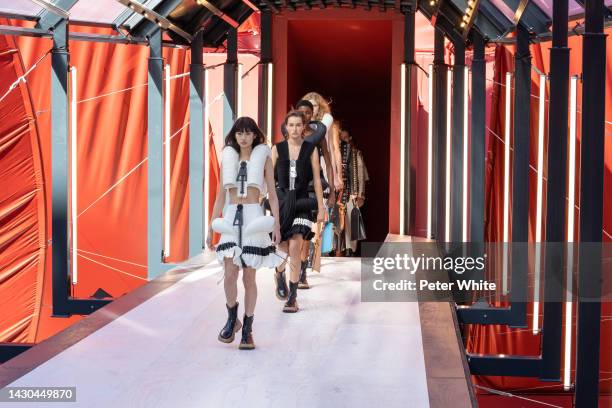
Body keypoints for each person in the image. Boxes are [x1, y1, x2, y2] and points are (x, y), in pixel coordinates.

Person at [206, 117, 284, 350]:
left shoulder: (264, 158)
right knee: (230, 273)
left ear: (255, 135)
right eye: (240, 133)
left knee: (249, 277)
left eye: (248, 132)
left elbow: (272, 194)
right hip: (230, 217)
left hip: (253, 218)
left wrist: (276, 225)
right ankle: (232, 317)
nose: (244, 137)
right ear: (235, 135)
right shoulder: (228, 158)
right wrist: (211, 226)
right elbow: (220, 195)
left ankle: (248, 329)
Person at [272, 110, 325, 312]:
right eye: (290, 125)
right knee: (282, 245)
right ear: (285, 127)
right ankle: (279, 272)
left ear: (304, 127)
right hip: (283, 202)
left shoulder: (311, 149)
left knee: (296, 245)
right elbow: (268, 177)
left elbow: (317, 180)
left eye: (298, 124)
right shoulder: (277, 149)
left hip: (303, 201)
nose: (294, 128)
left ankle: (292, 297)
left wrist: (321, 207)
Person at [295, 99, 335, 289]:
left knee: (305, 230)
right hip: (295, 187)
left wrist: (333, 189)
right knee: (295, 233)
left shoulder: (318, 134)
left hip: (313, 185)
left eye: (308, 112)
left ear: (313, 115)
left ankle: (301, 273)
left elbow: (328, 161)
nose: (304, 115)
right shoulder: (290, 132)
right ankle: (290, 271)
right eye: (300, 111)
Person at [301, 92, 343, 193]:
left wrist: (337, 175)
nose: (311, 108)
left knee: (324, 197)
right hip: (305, 162)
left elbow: (333, 150)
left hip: (324, 161)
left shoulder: (326, 118)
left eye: (314, 105)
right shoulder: (300, 123)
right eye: (308, 105)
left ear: (319, 107)